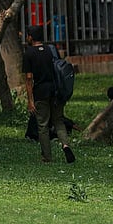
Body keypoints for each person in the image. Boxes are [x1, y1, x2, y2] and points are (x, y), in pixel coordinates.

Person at [23, 25, 75, 164]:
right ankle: (65, 144)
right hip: (55, 90)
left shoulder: (29, 53)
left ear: (31, 37)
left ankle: (47, 157)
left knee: (43, 125)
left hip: (40, 92)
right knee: (58, 120)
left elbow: (29, 78)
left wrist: (30, 100)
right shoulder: (50, 50)